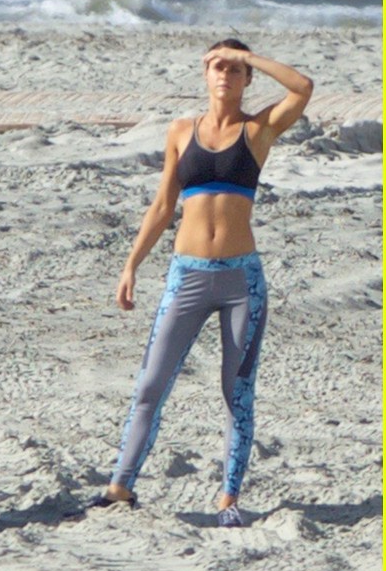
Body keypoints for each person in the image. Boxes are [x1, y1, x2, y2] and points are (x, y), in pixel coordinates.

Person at [89, 39, 313, 528]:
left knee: (236, 391)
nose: (225, 75)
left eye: (235, 69)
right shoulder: (180, 131)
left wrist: (250, 57)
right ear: (204, 73)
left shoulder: (258, 130)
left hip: (240, 282)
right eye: (217, 66)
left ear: (247, 78)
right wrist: (131, 265)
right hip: (186, 277)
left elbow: (302, 87)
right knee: (151, 383)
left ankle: (228, 498)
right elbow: (163, 206)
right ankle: (120, 486)